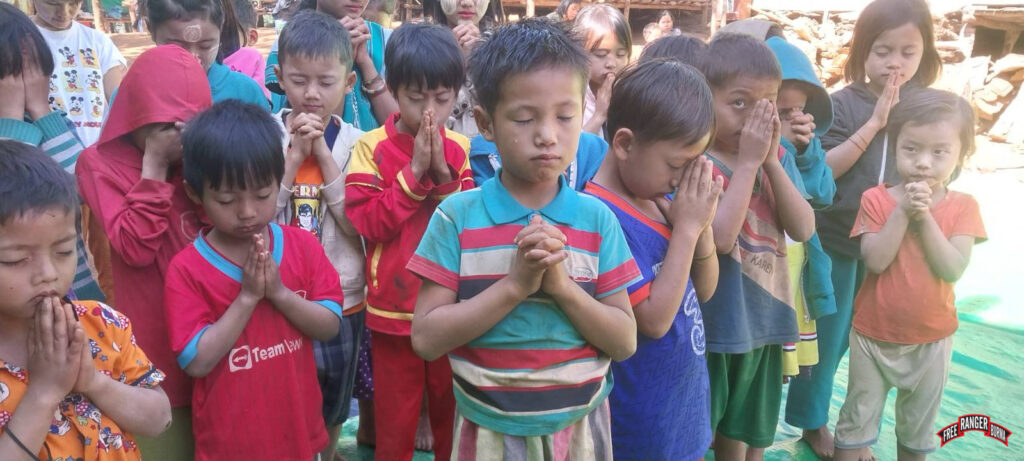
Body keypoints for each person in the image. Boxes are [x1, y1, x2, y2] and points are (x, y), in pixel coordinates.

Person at [408, 18, 640, 460]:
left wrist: (560, 287)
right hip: (488, 430)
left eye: (566, 116)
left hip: (578, 431)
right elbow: (426, 337)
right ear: (485, 123)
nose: (548, 135)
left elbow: (624, 340)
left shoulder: (597, 220)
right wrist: (515, 286)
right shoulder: (456, 217)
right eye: (525, 117)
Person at [788, 0, 942, 456]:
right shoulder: (840, 106)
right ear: (862, 52)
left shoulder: (925, 108)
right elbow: (825, 171)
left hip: (895, 249)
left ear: (925, 54)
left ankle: (866, 427)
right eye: (882, 51)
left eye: (908, 52)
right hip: (837, 242)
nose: (895, 63)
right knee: (827, 343)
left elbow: (941, 160)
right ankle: (813, 424)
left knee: (882, 344)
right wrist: (876, 123)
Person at [162, 100, 343, 460]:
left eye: (262, 195)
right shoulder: (187, 269)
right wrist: (246, 299)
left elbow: (329, 325)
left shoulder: (301, 246)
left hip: (299, 438)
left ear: (280, 181)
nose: (247, 212)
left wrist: (279, 294)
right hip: (231, 446)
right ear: (196, 193)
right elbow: (196, 361)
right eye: (227, 199)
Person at [75, 45, 212, 460]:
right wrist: (154, 167)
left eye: (187, 127)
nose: (175, 137)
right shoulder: (97, 164)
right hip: (149, 340)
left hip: (211, 334)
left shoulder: (198, 160)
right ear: (135, 112)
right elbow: (134, 247)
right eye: (164, 125)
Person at [834, 89, 986, 461]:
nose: (923, 163)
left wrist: (925, 219)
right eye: (911, 148)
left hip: (930, 342)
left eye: (939, 152)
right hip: (872, 336)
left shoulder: (964, 207)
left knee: (917, 432)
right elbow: (875, 261)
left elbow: (952, 267)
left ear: (961, 154)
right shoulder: (877, 199)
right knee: (855, 423)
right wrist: (902, 212)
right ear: (895, 144)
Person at [344, 22, 472, 461]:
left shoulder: (460, 146)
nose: (429, 111)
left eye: (442, 98)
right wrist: (414, 176)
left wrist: (442, 176)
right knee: (395, 421)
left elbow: (467, 226)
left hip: (448, 308)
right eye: (417, 98)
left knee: (449, 412)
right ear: (394, 91)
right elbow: (369, 224)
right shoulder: (371, 146)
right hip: (389, 309)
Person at [0, 141, 171, 461]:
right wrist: (44, 391)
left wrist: (93, 382)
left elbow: (160, 418)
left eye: (64, 251)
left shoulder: (102, 324)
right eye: (15, 259)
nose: (48, 273)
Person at [585, 59, 720, 460]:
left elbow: (706, 289)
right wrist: (687, 230)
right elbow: (654, 320)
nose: (681, 180)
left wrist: (702, 227)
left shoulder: (657, 198)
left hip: (682, 410)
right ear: (625, 144)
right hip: (642, 425)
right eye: (677, 165)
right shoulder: (603, 217)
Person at [699, 33, 815, 461]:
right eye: (739, 103)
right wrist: (749, 162)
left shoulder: (776, 158)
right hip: (719, 323)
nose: (753, 119)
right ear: (704, 96)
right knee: (706, 426)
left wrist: (768, 160)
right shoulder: (701, 160)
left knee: (748, 429)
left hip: (765, 320)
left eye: (765, 104)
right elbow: (721, 239)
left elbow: (803, 226)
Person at [271, 11, 367, 460]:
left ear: (348, 84)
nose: (311, 94)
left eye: (326, 82)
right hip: (277, 294)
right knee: (283, 396)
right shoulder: (266, 139)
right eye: (299, 80)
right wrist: (292, 160)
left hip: (342, 296)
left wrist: (324, 156)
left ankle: (327, 454)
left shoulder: (359, 144)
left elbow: (359, 226)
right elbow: (258, 218)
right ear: (278, 78)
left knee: (333, 400)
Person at [0, 3, 104, 302]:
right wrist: (9, 118)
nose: (25, 83)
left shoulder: (51, 122)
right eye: (12, 74)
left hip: (72, 294)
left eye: (34, 72)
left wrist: (42, 111)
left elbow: (85, 190)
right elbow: (14, 200)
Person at [265, 0, 399, 128]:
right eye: (300, 81)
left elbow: (400, 127)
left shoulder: (386, 41)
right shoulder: (290, 42)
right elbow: (306, 121)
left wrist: (366, 63)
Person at [29, 0, 126, 147]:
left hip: (96, 154)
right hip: (44, 153)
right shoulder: (18, 39)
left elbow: (118, 99)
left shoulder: (97, 41)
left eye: (73, 3)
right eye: (53, 4)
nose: (64, 12)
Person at [143, 0, 269, 109]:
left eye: (205, 46)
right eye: (178, 47)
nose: (192, 58)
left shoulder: (246, 93)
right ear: (151, 29)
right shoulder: (139, 92)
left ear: (221, 30)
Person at [423, 0, 504, 138]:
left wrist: (478, 61)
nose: (467, 3)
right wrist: (454, 61)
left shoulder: (505, 48)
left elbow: (504, 112)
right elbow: (425, 120)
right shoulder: (420, 48)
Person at [574, 4, 631, 138]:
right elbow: (572, 152)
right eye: (600, 54)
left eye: (621, 54)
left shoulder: (629, 93)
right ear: (579, 52)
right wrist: (599, 115)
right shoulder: (573, 95)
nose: (611, 64)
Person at [224, 0, 271, 100]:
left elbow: (259, 100)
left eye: (228, 33)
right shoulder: (210, 58)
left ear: (251, 37)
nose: (220, 40)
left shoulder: (253, 58)